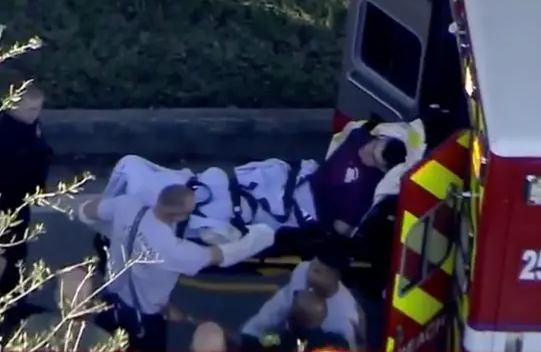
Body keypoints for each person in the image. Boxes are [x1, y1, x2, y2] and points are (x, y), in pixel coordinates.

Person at [100, 122, 407, 242]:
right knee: (216, 185)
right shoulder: (360, 136)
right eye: (373, 149)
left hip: (297, 211)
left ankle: (135, 215)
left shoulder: (366, 191)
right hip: (288, 177)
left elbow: (341, 232)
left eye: (376, 161)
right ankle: (131, 209)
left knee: (229, 212)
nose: (367, 156)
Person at [77, 183, 275, 351]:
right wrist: (263, 236)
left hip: (110, 298)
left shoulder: (126, 205)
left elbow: (86, 211)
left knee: (103, 341)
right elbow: (224, 255)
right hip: (144, 317)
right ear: (178, 216)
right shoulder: (175, 251)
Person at [241, 238, 366, 350]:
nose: (309, 274)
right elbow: (277, 307)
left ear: (334, 277)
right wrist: (252, 334)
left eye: (317, 271)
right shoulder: (302, 271)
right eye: (311, 265)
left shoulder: (344, 319)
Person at [0, 81, 52, 330]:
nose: (35, 115)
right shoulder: (5, 134)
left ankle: (15, 303)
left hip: (20, 202)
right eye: (30, 110)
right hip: (5, 206)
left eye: (38, 109)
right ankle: (8, 309)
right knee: (7, 256)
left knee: (17, 255)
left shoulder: (29, 127)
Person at [191, 290, 351, 352]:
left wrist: (191, 319)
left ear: (291, 319)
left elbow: (249, 341)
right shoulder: (339, 343)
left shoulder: (283, 341)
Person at [18, 268, 112, 350]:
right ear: (56, 295)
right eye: (71, 284)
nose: (75, 293)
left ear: (90, 298)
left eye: (81, 287)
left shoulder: (102, 341)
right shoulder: (34, 327)